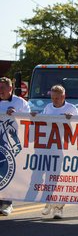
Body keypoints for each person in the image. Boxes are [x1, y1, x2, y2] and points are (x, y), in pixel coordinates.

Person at [35, 85, 78, 219]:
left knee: (60, 179)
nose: (54, 100)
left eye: (57, 98)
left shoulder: (71, 109)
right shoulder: (48, 108)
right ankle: (48, 202)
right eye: (52, 98)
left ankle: (59, 208)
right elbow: (41, 123)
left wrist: (72, 120)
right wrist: (33, 116)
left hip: (64, 150)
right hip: (49, 149)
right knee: (49, 177)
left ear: (63, 97)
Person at [0, 77, 30, 216]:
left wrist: (17, 114)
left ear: (10, 88)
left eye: (3, 88)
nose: (0, 91)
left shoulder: (20, 102)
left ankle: (6, 203)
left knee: (7, 173)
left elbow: (30, 119)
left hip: (10, 145)